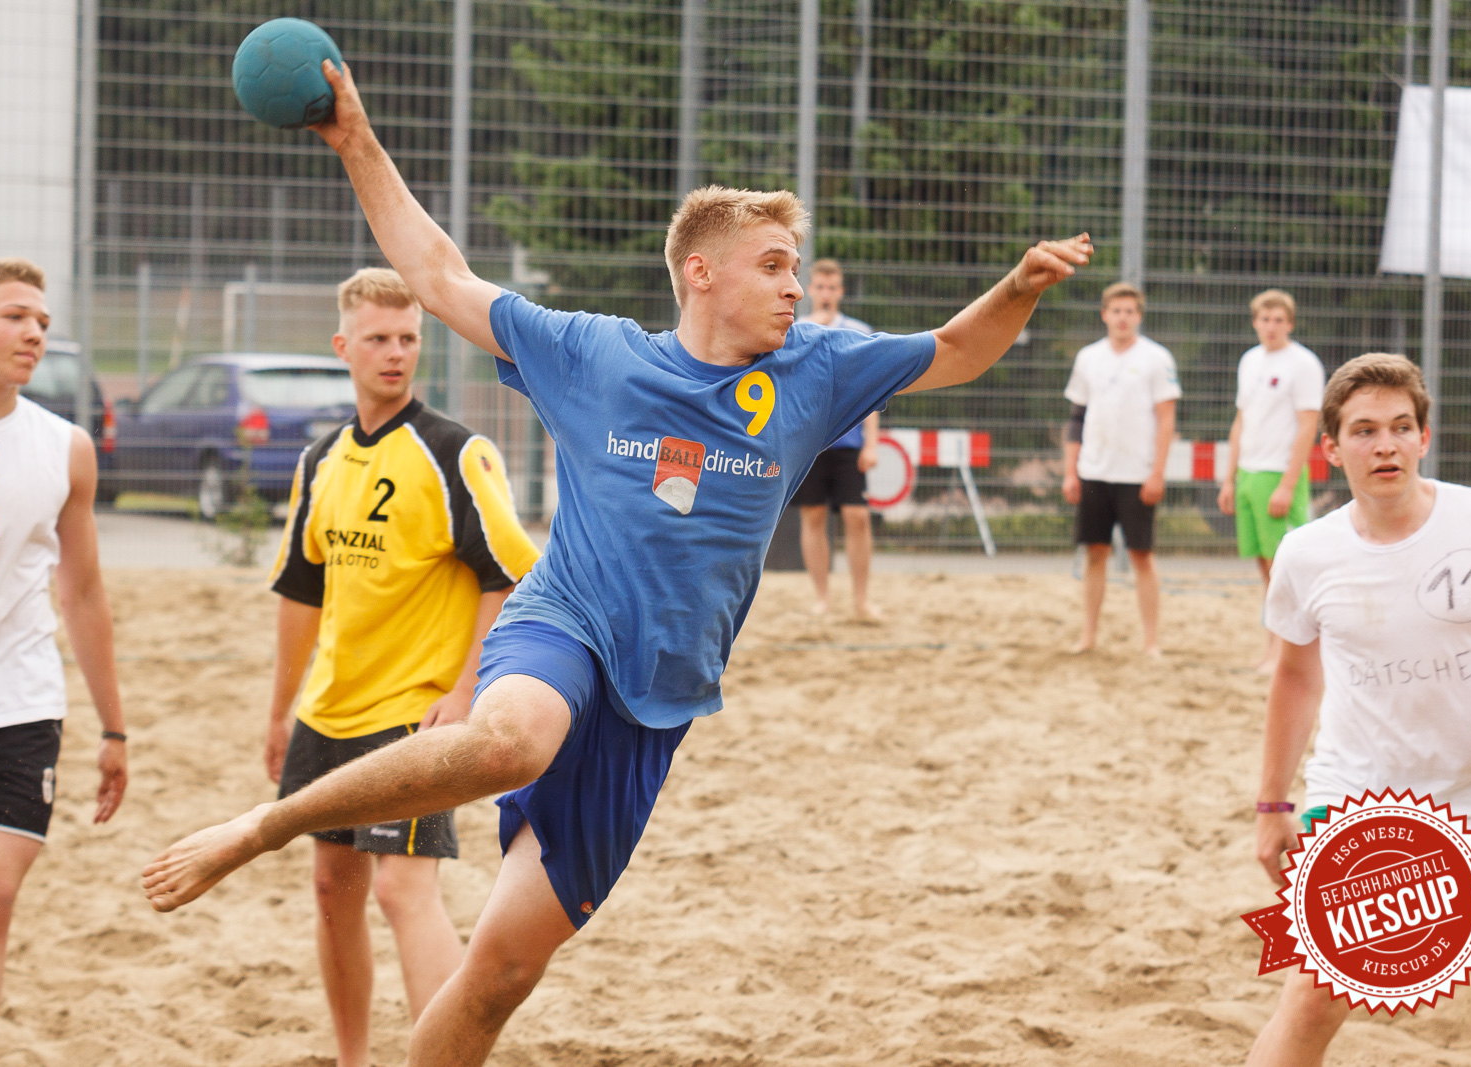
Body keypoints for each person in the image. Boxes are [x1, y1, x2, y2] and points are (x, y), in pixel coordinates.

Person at [143, 58, 1091, 1067]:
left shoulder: (813, 370)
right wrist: (356, 142)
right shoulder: (595, 353)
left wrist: (1019, 286)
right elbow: (440, 274)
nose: (794, 285)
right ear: (701, 272)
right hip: (566, 622)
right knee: (510, 740)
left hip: (661, 697)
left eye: (796, 266)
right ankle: (265, 826)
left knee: (499, 976)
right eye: (773, 264)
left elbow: (956, 349)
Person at [265, 268, 540, 1067]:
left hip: (413, 712)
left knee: (400, 887)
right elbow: (301, 591)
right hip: (328, 710)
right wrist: (278, 711)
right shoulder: (321, 459)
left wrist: (465, 689)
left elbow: (509, 574)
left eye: (409, 338)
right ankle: (353, 1058)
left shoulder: (455, 451)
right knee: (332, 888)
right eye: (379, 338)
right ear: (343, 346)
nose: (395, 353)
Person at [1250, 353, 1471, 1066]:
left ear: (1424, 436)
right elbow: (1294, 677)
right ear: (1332, 448)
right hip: (1360, 809)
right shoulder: (1307, 552)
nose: (1384, 445)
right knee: (1310, 1006)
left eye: (1399, 427)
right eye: (1363, 431)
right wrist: (1270, 803)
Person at [0, 258, 128, 1067]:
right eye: (16, 317)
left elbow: (83, 591)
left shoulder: (65, 447)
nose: (34, 333)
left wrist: (115, 728)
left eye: (43, 323)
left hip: (17, 698)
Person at [1060, 281, 1178, 657]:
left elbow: (1166, 419)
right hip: (1094, 471)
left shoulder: (1157, 358)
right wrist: (1070, 471)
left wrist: (1157, 472)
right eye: (1116, 311)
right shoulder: (1088, 357)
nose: (1122, 317)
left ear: (1139, 316)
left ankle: (1151, 642)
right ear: (1104, 315)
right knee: (1095, 553)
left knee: (1142, 556)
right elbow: (1076, 419)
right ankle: (1088, 637)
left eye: (1129, 311)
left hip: (1137, 473)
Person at [1217, 288, 1324, 673]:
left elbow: (1308, 426)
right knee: (1265, 568)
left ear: (1290, 323)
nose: (1271, 326)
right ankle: (1272, 647)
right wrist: (1229, 479)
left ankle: (1289, 654)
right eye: (1265, 319)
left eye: (1279, 319)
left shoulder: (1303, 364)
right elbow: (1241, 421)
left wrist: (1287, 485)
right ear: (1255, 322)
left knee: (1286, 569)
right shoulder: (1250, 360)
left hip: (1278, 473)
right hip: (1248, 472)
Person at [794, 259, 878, 619]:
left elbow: (871, 391)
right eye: (820, 287)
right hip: (811, 442)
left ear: (840, 291)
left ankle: (861, 601)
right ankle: (822, 599)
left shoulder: (858, 331)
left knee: (857, 516)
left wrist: (871, 443)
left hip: (848, 441)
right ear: (810, 290)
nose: (826, 293)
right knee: (813, 516)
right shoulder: (795, 330)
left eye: (832, 287)